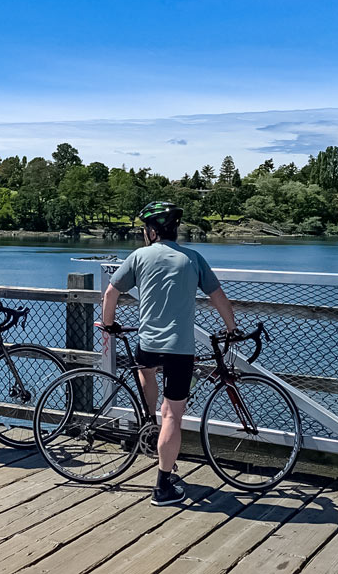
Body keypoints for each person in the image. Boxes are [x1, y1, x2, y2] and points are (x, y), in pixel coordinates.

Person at [101, 200, 238, 506]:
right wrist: (232, 329)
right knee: (173, 415)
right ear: (175, 230)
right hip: (180, 349)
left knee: (145, 369)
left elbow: (111, 292)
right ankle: (163, 485)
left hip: (147, 343)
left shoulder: (139, 257)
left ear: (151, 232)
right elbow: (219, 298)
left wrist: (108, 325)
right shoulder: (193, 258)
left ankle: (149, 420)